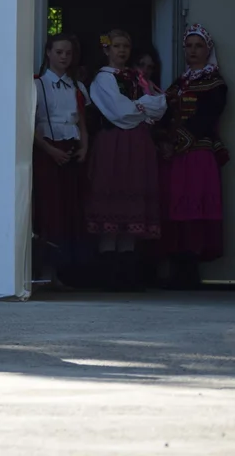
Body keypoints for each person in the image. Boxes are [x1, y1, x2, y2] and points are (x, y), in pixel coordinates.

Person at [85, 29, 167, 289]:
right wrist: (143, 109)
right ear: (107, 49)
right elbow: (119, 112)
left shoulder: (136, 77)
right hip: (114, 143)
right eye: (117, 46)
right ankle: (109, 274)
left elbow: (161, 103)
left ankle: (129, 273)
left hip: (137, 144)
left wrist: (143, 108)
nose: (122, 51)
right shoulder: (103, 79)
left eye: (126, 47)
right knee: (113, 198)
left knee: (133, 202)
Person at [158, 24, 228, 287]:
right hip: (176, 156)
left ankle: (191, 270)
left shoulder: (215, 83)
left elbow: (208, 117)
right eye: (189, 45)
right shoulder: (179, 82)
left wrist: (182, 138)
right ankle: (177, 267)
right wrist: (164, 139)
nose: (193, 51)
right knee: (176, 206)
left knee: (194, 207)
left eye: (199, 46)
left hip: (198, 154)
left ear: (208, 49)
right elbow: (164, 113)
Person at [32, 33, 90, 285]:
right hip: (47, 150)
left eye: (68, 53)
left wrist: (84, 147)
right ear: (48, 53)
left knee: (70, 209)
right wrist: (48, 149)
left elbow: (83, 123)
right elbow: (30, 125)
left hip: (71, 149)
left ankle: (67, 270)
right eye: (59, 52)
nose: (64, 57)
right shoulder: (36, 85)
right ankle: (45, 270)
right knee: (49, 209)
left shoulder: (77, 86)